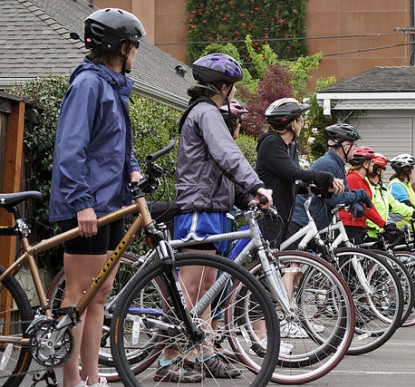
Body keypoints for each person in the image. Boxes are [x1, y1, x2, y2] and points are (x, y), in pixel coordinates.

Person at [159, 52, 273, 382]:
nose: (234, 93)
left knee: (207, 285)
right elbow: (227, 153)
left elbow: (220, 166)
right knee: (191, 287)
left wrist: (247, 194)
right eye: (233, 88)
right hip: (198, 208)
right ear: (223, 86)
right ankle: (169, 359)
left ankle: (204, 351)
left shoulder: (206, 112)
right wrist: (256, 184)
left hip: (213, 208)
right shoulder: (207, 112)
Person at [48, 8, 145, 387]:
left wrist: (133, 169)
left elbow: (118, 145)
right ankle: (70, 381)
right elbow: (71, 149)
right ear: (122, 47)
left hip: (111, 202)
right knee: (78, 296)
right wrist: (82, 202)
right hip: (88, 206)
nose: (136, 53)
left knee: (100, 294)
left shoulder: (113, 85)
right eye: (134, 46)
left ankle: (91, 377)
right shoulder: (89, 84)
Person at [256, 97, 343, 249]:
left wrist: (320, 189)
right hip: (269, 215)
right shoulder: (271, 143)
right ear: (292, 123)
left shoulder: (289, 147)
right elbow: (293, 173)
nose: (302, 123)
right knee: (265, 266)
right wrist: (325, 177)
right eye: (300, 119)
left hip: (282, 215)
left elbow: (292, 182)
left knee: (276, 263)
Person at [288, 123, 372, 235]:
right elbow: (335, 199)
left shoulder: (339, 165)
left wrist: (353, 201)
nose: (355, 149)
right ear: (346, 148)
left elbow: (344, 193)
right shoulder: (328, 164)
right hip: (302, 223)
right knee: (293, 253)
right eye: (354, 146)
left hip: (312, 223)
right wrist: (360, 195)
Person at [338, 146, 389, 244]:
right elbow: (364, 207)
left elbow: (369, 204)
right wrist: (383, 224)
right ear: (365, 164)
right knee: (349, 259)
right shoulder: (353, 178)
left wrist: (384, 224)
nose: (373, 165)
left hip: (357, 226)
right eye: (372, 162)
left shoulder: (362, 180)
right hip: (350, 226)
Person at [366, 153, 415, 241]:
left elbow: (395, 205)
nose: (385, 172)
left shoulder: (381, 187)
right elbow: (367, 210)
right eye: (384, 169)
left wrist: (413, 212)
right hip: (370, 234)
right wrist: (383, 225)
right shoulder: (367, 186)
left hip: (381, 233)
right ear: (378, 171)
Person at [387, 154, 415, 227]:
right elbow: (407, 204)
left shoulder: (407, 184)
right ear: (406, 171)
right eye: (412, 168)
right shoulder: (396, 185)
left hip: (410, 226)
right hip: (400, 228)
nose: (413, 171)